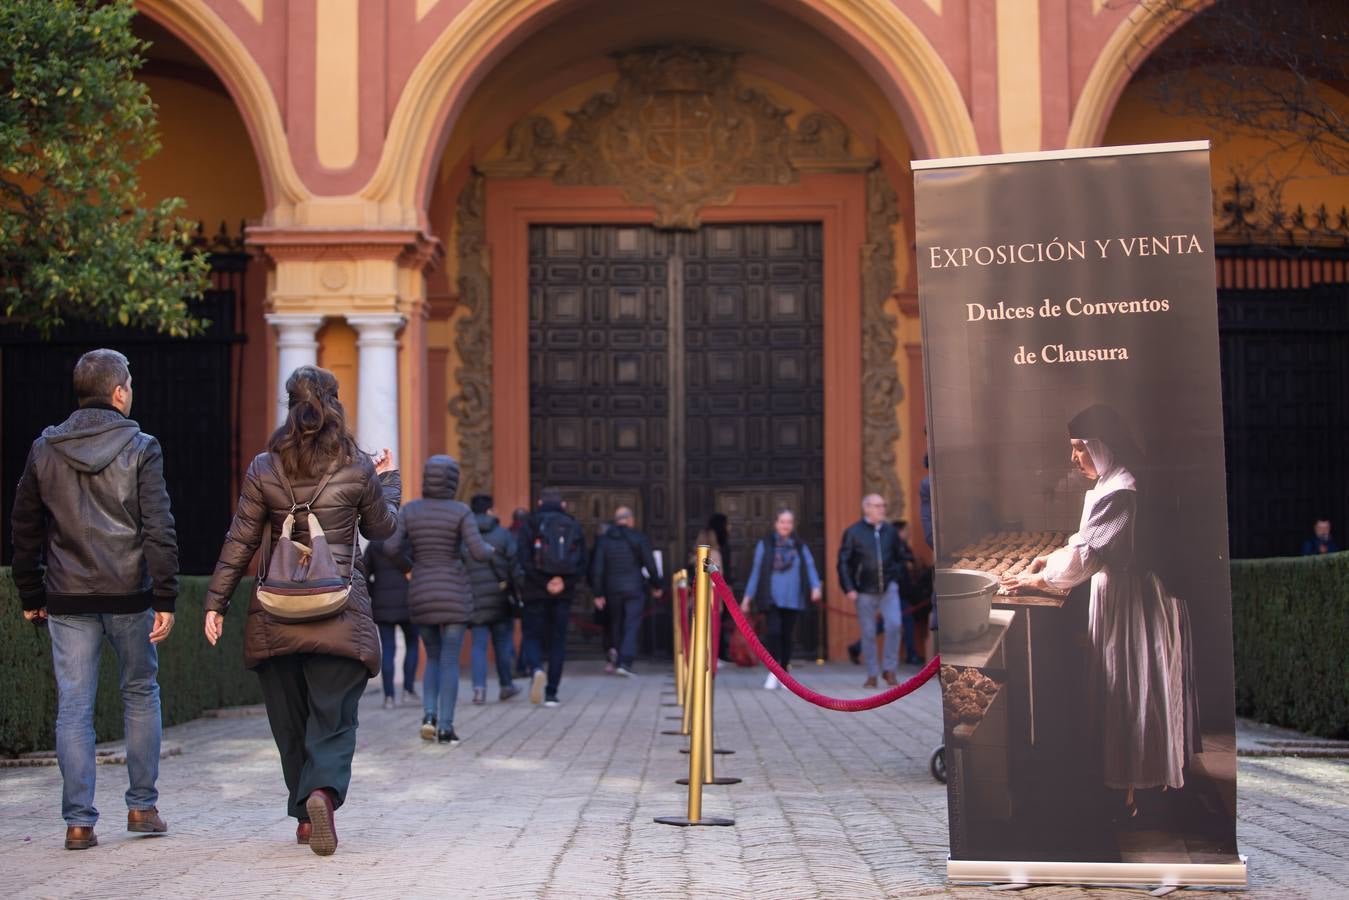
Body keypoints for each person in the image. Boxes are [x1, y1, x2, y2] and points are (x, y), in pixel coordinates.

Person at [204, 365, 399, 855]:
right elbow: (382, 529)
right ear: (335, 404)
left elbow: (241, 539)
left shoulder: (264, 467)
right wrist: (389, 480)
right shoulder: (357, 466)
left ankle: (305, 817)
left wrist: (216, 602)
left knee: (289, 722)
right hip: (340, 612)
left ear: (290, 407)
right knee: (332, 719)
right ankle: (321, 795)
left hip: (277, 612)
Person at [10, 349, 178, 851]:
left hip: (66, 596)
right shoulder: (142, 447)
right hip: (129, 593)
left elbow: (24, 527)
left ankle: (78, 822)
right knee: (140, 692)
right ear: (119, 392)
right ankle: (142, 807)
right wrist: (167, 594)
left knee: (74, 708)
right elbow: (158, 526)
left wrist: (30, 590)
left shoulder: (45, 448)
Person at [1000, 404, 1201, 821]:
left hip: (1136, 604)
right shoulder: (1113, 482)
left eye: (1079, 449)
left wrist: (1042, 579)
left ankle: (1134, 789)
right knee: (1130, 690)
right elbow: (1087, 542)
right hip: (1123, 595)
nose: (1074, 459)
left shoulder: (1123, 488)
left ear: (1101, 447)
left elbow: (1089, 556)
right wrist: (1051, 558)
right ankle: (1132, 784)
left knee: (1132, 688)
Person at [384, 455, 492, 745]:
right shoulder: (460, 511)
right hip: (454, 594)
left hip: (421, 591)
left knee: (431, 656)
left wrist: (410, 567)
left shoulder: (410, 510)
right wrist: (495, 548)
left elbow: (390, 547)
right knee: (449, 661)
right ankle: (446, 727)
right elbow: (479, 552)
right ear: (453, 480)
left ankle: (428, 716)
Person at [517, 488, 587, 707]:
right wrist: (563, 583)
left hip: (535, 591)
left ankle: (536, 668)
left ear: (539, 502)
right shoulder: (573, 525)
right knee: (558, 641)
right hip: (563, 594)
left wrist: (543, 582)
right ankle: (551, 693)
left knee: (531, 636)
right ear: (563, 505)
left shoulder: (530, 524)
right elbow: (583, 562)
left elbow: (523, 559)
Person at [740, 508, 822, 690]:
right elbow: (756, 571)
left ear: (792, 525)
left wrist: (816, 587)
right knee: (774, 633)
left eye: (789, 522)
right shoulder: (766, 544)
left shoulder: (799, 545)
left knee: (787, 635)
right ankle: (773, 671)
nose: (785, 525)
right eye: (782, 522)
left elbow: (809, 566)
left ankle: (785, 673)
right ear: (776, 524)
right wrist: (747, 597)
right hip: (772, 598)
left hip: (793, 597)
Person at [837, 495, 908, 688]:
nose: (882, 509)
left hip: (889, 588)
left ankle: (890, 670)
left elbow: (901, 556)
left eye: (883, 506)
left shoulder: (890, 532)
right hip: (864, 591)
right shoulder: (853, 532)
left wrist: (896, 577)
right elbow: (844, 563)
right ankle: (871, 674)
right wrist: (849, 588)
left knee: (894, 625)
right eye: (877, 506)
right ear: (866, 508)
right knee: (868, 632)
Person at [463, 494, 524, 703]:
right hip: (500, 598)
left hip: (474, 598)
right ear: (490, 510)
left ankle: (479, 690)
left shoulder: (465, 536)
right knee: (503, 644)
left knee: (478, 645)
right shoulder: (503, 535)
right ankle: (506, 685)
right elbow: (515, 566)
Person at [591, 506, 663, 676]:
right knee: (632, 623)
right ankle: (626, 661)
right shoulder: (638, 537)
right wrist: (657, 585)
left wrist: (598, 593)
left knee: (616, 623)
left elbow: (598, 568)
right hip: (634, 587)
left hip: (612, 588)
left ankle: (617, 658)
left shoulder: (604, 540)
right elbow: (650, 564)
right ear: (630, 519)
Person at [362, 537, 419, 709]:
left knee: (388, 648)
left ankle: (389, 697)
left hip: (382, 604)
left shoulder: (374, 544)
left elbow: (363, 574)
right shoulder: (409, 541)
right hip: (408, 601)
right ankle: (408, 690)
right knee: (413, 644)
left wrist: (376, 591)